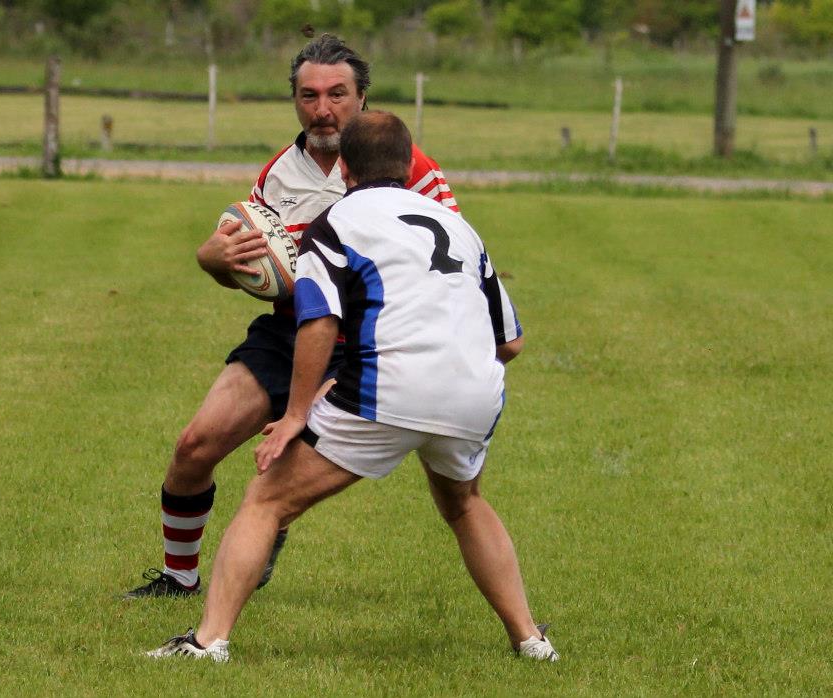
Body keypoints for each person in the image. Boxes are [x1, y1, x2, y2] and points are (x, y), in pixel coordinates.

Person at [146, 111, 559, 663]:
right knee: (464, 505)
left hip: (388, 389)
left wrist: (296, 415)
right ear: (408, 163)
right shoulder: (460, 227)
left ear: (343, 167)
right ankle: (530, 641)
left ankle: (206, 642)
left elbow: (318, 321)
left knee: (266, 502)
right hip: (475, 392)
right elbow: (510, 344)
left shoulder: (337, 222)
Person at [125, 34, 460, 598]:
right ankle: (179, 578)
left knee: (287, 479)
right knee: (193, 447)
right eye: (309, 96)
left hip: (368, 341)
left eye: (337, 94)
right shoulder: (277, 174)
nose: (323, 109)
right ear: (295, 100)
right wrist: (213, 260)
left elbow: (446, 259)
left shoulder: (411, 168)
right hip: (289, 331)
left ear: (361, 99)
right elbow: (256, 267)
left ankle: (269, 525)